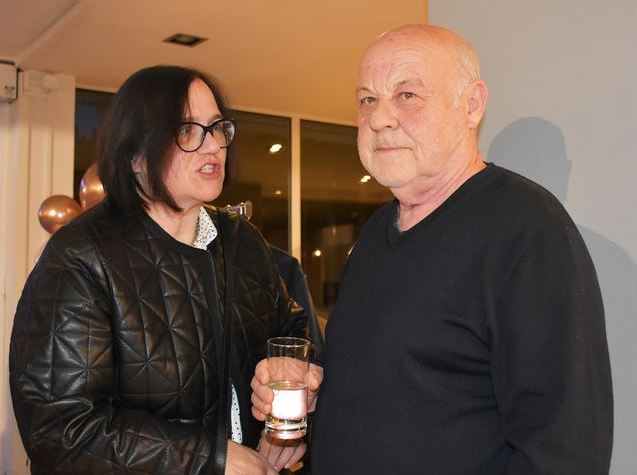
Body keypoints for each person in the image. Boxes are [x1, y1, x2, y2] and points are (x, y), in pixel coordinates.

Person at [252, 25, 613, 473]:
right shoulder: (376, 231)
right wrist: (313, 391)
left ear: (472, 105)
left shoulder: (528, 231)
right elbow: (391, 383)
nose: (379, 118)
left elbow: (565, 450)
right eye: (367, 99)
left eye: (407, 95)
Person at [9, 65, 311, 474]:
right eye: (187, 130)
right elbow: (61, 430)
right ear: (135, 155)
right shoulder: (81, 255)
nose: (213, 146)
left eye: (217, 127)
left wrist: (289, 416)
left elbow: (294, 336)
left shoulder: (243, 242)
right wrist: (212, 459)